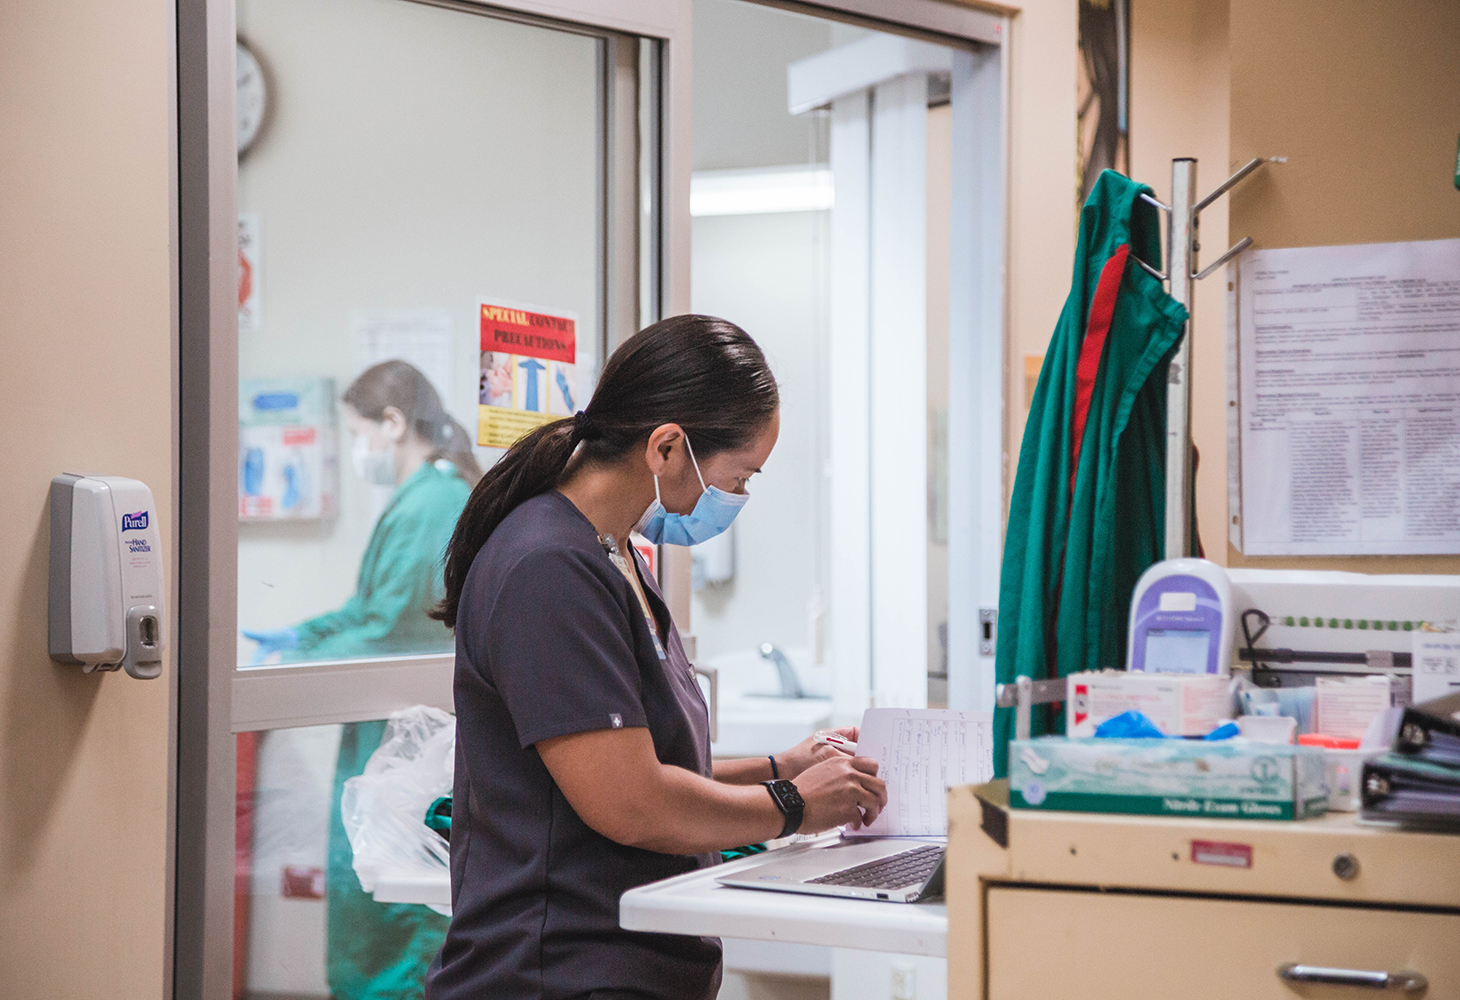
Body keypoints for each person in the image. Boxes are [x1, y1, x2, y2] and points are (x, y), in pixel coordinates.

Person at [426, 316, 888, 1000]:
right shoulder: (548, 568)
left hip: (627, 964)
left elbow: (641, 763)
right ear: (668, 448)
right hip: (554, 970)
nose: (738, 497)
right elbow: (632, 802)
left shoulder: (613, 558)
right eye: (739, 476)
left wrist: (780, 766)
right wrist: (793, 803)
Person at [242, 360, 483, 1000]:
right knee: (371, 892)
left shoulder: (434, 502)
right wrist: (302, 636)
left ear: (393, 423)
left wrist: (293, 669)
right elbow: (366, 609)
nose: (358, 449)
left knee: (390, 903)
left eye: (358, 432)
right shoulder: (420, 498)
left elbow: (392, 628)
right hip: (387, 723)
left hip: (400, 730)